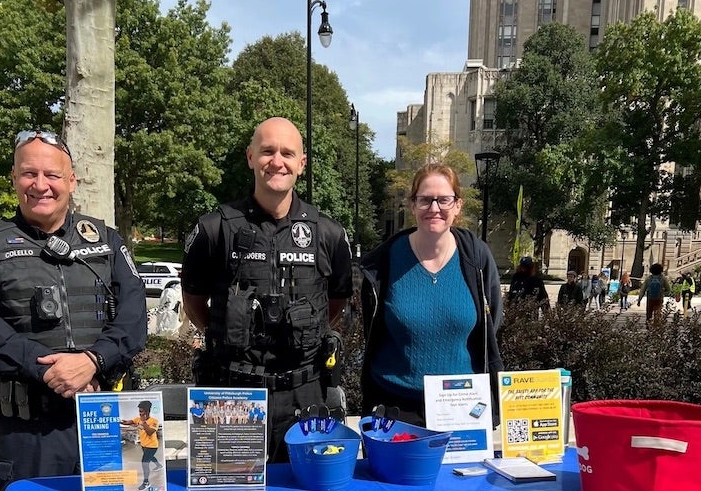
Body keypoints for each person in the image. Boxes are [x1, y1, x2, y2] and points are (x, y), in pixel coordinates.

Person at [0, 130, 147, 491]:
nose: (40, 185)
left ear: (71, 180)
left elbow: (134, 315)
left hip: (105, 419)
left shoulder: (106, 241)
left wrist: (93, 360)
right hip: (28, 433)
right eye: (29, 174)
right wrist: (47, 370)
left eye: (52, 175)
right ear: (14, 178)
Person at [180, 117, 353, 461]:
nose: (277, 161)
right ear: (250, 157)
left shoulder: (328, 234)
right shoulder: (215, 229)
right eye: (267, 151)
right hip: (232, 394)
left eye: (287, 153)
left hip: (305, 396)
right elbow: (194, 303)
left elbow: (334, 305)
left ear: (301, 164)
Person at [359, 163, 503, 424]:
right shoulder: (385, 262)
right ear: (413, 205)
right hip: (395, 407)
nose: (434, 208)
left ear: (457, 206)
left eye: (444, 200)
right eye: (425, 200)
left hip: (462, 406)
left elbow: (491, 324)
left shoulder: (476, 258)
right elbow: (373, 329)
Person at [120, 399, 163, 491]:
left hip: (152, 446)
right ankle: (159, 465)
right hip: (144, 445)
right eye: (139, 411)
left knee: (144, 462)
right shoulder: (138, 419)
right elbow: (129, 422)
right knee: (150, 457)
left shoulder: (154, 421)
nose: (140, 413)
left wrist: (144, 422)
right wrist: (121, 422)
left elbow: (150, 432)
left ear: (147, 411)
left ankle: (146, 482)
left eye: (142, 411)